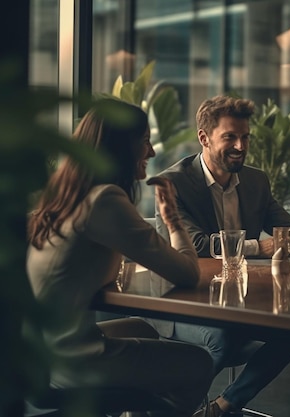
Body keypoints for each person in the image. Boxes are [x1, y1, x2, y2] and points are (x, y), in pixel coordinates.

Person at [26, 99, 213, 417]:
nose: (152, 152)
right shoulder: (105, 200)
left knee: (142, 327)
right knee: (200, 362)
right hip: (70, 360)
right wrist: (172, 219)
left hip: (37, 354)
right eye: (144, 141)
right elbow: (187, 274)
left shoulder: (65, 195)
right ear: (121, 147)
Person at [153, 95, 290, 417]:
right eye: (230, 137)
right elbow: (195, 244)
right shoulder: (173, 182)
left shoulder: (255, 181)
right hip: (183, 303)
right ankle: (166, 409)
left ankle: (224, 405)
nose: (240, 145)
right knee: (222, 338)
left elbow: (289, 232)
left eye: (245, 137)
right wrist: (256, 247)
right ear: (204, 138)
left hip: (240, 302)